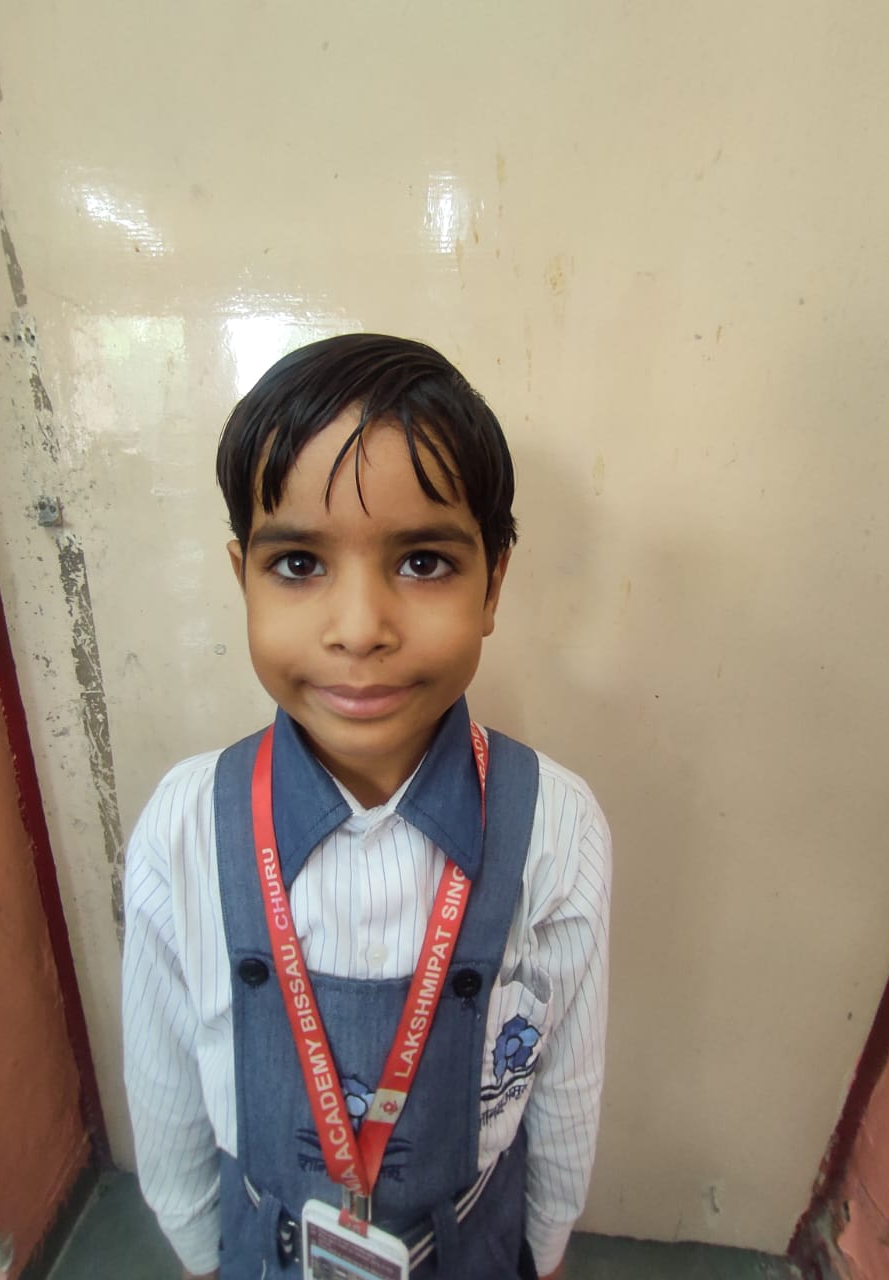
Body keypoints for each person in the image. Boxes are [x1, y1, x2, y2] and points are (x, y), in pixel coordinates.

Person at [122, 333, 611, 1280]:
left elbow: (567, 1082)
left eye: (422, 561)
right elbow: (164, 1076)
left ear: (493, 584)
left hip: (469, 1247)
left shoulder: (557, 827)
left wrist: (545, 1246)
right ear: (241, 577)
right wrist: (197, 1249)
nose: (357, 631)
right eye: (298, 564)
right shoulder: (185, 826)